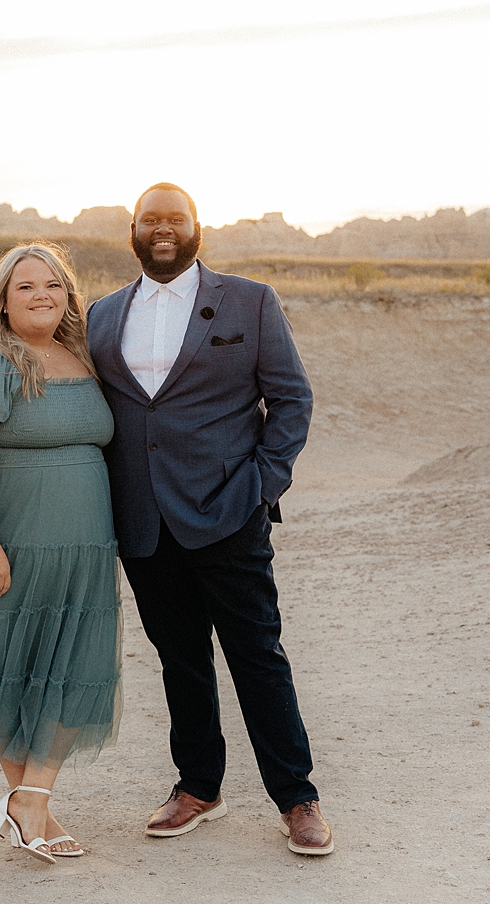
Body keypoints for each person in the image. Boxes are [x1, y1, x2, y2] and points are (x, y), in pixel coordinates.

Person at [86, 183, 333, 856]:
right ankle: (199, 787)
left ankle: (298, 797)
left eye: (175, 218)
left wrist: (262, 484)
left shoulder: (248, 300)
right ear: (132, 230)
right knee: (181, 661)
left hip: (230, 513)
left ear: (196, 227)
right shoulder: (102, 316)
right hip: (142, 520)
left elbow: (291, 398)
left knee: (258, 657)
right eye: (150, 219)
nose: (162, 228)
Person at [0, 243, 121, 865]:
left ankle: (29, 798)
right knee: (11, 666)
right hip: (11, 544)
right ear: (3, 302)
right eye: (25, 287)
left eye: (53, 286)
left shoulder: (87, 361)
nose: (41, 296)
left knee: (72, 666)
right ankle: (29, 800)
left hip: (85, 547)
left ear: (69, 296)